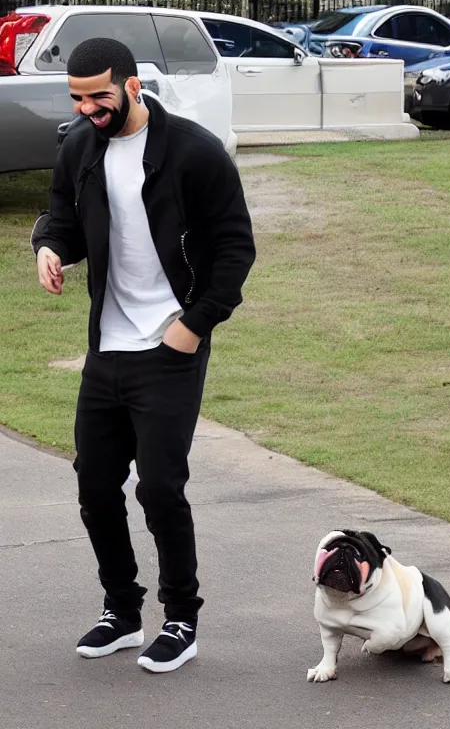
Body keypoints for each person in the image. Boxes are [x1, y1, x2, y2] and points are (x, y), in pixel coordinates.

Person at [32, 37, 255, 673]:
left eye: (98, 96)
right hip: (107, 348)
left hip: (169, 346)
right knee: (95, 486)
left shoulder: (193, 152)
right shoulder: (78, 145)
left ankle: (181, 619)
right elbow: (62, 216)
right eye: (76, 98)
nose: (87, 109)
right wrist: (50, 248)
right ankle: (122, 612)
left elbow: (236, 248)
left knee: (159, 488)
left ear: (133, 86)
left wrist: (196, 323)